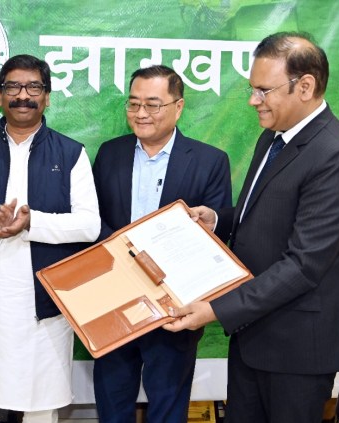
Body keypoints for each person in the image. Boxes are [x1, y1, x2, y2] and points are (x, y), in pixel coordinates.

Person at [163, 32, 339, 423]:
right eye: (252, 89)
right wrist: (219, 219)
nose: (253, 100)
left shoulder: (336, 156)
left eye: (263, 91)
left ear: (304, 86)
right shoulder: (273, 136)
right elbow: (266, 212)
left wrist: (215, 309)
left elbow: (303, 265)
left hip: (297, 349)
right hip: (254, 333)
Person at [0, 54, 100, 423]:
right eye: (12, 87)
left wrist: (31, 224)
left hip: (46, 304)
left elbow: (89, 225)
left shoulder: (71, 153)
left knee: (41, 405)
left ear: (47, 97)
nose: (22, 95)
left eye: (33, 87)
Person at [91, 65, 232, 423]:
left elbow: (219, 234)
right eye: (134, 103)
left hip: (175, 307)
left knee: (168, 407)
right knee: (112, 403)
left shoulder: (210, 161)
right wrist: (122, 255)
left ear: (178, 107)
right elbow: (93, 220)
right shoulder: (109, 153)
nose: (141, 113)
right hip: (114, 302)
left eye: (153, 105)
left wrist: (210, 221)